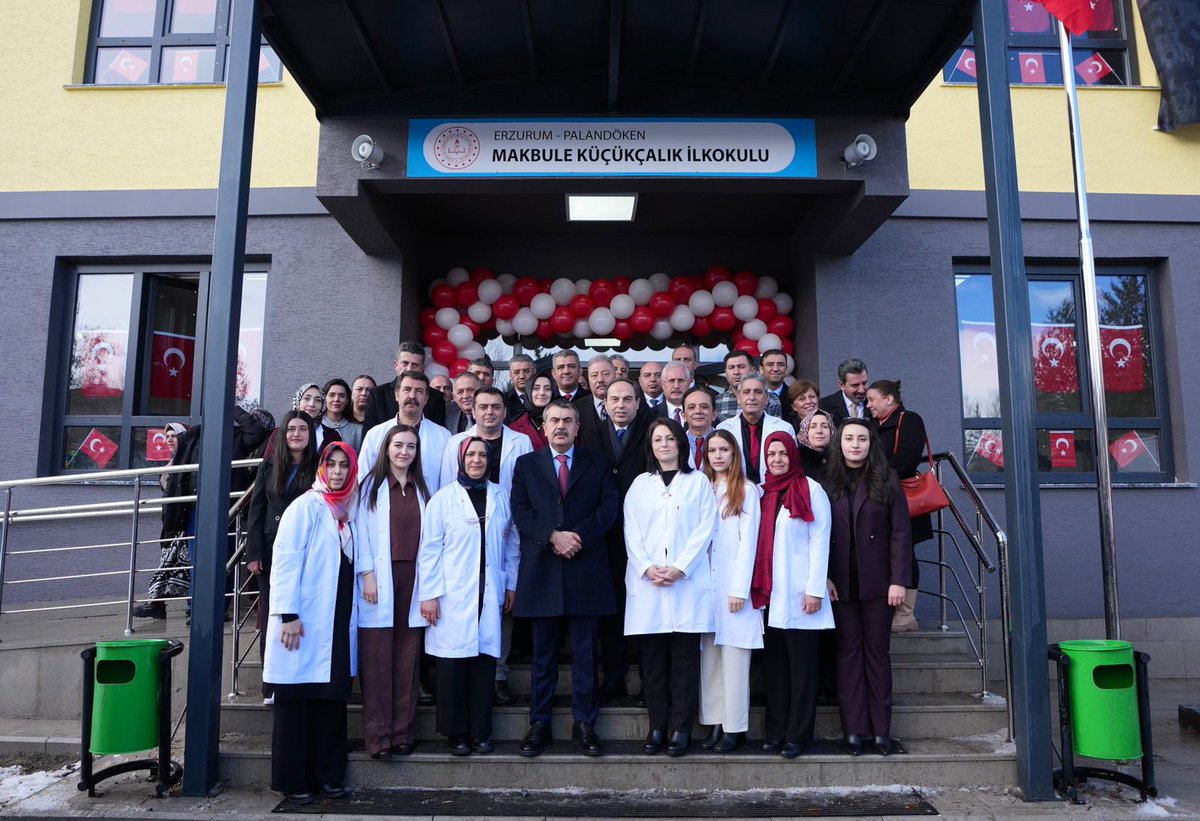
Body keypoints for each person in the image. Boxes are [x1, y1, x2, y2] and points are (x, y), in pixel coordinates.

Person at [510, 399, 619, 757]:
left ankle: (584, 724)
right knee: (543, 658)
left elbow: (608, 509)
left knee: (586, 657)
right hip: (543, 573)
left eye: (567, 420)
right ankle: (539, 723)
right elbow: (521, 511)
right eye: (554, 420)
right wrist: (552, 536)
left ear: (577, 427)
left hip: (586, 572)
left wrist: (578, 537)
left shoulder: (598, 464)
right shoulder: (525, 465)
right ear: (543, 426)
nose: (560, 425)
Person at [263, 441, 360, 806]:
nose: (337, 472)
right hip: (302, 623)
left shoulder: (347, 510)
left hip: (335, 623)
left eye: (343, 466)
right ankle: (292, 780)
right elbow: (286, 561)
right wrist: (288, 614)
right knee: (296, 703)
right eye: (331, 465)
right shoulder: (304, 507)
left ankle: (327, 776)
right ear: (322, 468)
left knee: (330, 703)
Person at [415, 438, 520, 756]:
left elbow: (512, 543)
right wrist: (429, 594)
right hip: (452, 594)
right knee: (452, 668)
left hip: (489, 591)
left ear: (490, 461)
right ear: (461, 460)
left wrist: (511, 584)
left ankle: (480, 731)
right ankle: (455, 733)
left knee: (483, 666)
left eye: (482, 455)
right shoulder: (443, 500)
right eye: (470, 455)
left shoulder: (501, 495)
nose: (477, 460)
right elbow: (429, 549)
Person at [622, 417, 717, 757]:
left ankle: (680, 729)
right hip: (648, 586)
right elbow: (631, 532)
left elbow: (705, 528)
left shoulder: (699, 483)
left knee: (685, 662)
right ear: (650, 446)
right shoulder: (639, 485)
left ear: (681, 443)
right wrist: (648, 567)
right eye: (657, 439)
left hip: (685, 585)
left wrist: (679, 568)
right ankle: (657, 726)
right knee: (653, 664)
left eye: (669, 439)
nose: (663, 444)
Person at [438, 386, 534, 705]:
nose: (490, 412)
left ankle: (499, 675)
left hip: (506, 526)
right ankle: (469, 675)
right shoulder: (455, 444)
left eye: (496, 406)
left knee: (502, 604)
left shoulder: (520, 442)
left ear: (504, 411)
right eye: (483, 407)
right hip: (463, 535)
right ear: (473, 411)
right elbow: (445, 488)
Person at [823, 418, 912, 756]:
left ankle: (881, 732)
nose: (855, 444)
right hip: (840, 583)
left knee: (877, 656)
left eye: (861, 438)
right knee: (847, 656)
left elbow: (901, 532)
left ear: (870, 443)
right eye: (849, 438)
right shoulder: (827, 480)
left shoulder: (886, 479)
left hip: (879, 584)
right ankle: (853, 731)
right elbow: (817, 535)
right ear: (840, 443)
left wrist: (898, 580)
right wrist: (824, 577)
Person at [752, 432, 833, 758]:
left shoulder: (811, 490)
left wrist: (815, 589)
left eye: (783, 453)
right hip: (769, 595)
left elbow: (820, 540)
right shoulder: (761, 493)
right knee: (774, 670)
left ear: (793, 455)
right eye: (771, 454)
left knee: (801, 671)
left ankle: (798, 735)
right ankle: (775, 731)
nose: (776, 459)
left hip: (801, 595)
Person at [355, 425, 430, 759]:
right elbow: (360, 533)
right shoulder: (370, 486)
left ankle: (402, 733)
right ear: (386, 449)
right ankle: (379, 738)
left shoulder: (423, 489)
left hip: (414, 580)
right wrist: (367, 574)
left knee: (407, 660)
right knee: (378, 660)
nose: (404, 452)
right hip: (380, 582)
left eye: (411, 446)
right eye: (398, 445)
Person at [579, 377, 653, 702]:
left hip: (644, 537)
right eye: (615, 400)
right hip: (603, 537)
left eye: (627, 399)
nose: (621, 405)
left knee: (644, 606)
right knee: (610, 609)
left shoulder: (651, 434)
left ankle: (648, 679)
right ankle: (614, 675)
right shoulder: (590, 435)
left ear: (638, 403)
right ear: (604, 404)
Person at [245, 411, 319, 702]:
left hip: (307, 550)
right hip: (271, 549)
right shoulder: (269, 466)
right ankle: (271, 684)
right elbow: (256, 509)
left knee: (303, 614)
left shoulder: (318, 467)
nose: (296, 434)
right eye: (291, 429)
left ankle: (299, 676)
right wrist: (253, 552)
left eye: (303, 429)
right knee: (273, 616)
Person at [698, 429, 762, 753]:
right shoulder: (702, 488)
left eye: (724, 449)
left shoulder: (747, 491)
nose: (718, 456)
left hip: (734, 591)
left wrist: (740, 589)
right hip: (705, 589)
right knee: (710, 663)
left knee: (735, 663)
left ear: (734, 454)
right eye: (712, 450)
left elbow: (749, 544)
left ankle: (734, 728)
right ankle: (714, 723)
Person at [866, 379, 931, 633]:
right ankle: (886, 611)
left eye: (872, 399)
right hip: (875, 498)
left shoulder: (910, 420)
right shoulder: (872, 424)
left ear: (889, 399)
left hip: (901, 497)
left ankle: (905, 616)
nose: (868, 404)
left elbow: (908, 457)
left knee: (905, 554)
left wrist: (875, 478)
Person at [132, 422, 193, 619]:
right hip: (170, 522)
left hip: (182, 522)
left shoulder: (187, 461)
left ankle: (158, 603)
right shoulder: (172, 462)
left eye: (174, 436)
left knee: (174, 566)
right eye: (167, 437)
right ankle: (158, 605)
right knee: (173, 566)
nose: (169, 440)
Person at [359, 371, 451, 495]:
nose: (412, 396)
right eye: (407, 389)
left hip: (428, 510)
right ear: (397, 395)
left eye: (419, 391)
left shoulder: (443, 437)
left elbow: (447, 484)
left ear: (426, 399)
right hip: (384, 510)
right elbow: (364, 480)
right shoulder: (375, 435)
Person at [716, 373, 795, 484]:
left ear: (766, 398)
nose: (752, 397)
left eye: (758, 392)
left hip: (775, 493)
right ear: (738, 398)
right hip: (735, 494)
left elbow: (792, 467)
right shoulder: (723, 430)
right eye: (746, 392)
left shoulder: (784, 429)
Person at [363, 342, 448, 429]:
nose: (409, 369)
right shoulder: (377, 395)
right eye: (405, 363)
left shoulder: (436, 398)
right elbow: (369, 435)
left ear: (423, 369)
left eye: (415, 365)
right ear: (396, 364)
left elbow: (437, 434)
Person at [715, 350, 776, 423]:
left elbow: (777, 430)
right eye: (731, 367)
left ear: (752, 370)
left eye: (741, 367)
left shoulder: (771, 399)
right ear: (726, 372)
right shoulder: (717, 401)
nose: (736, 372)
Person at [508, 371, 556, 450]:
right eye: (536, 388)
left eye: (547, 389)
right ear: (528, 391)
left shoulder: (562, 422)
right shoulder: (515, 426)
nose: (542, 393)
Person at [574, 355, 615, 444]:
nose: (600, 379)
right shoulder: (576, 408)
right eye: (594, 375)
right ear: (588, 379)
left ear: (614, 376)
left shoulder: (627, 404)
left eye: (605, 374)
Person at [819, 358, 871, 424]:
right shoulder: (824, 406)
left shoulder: (875, 404)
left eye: (864, 383)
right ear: (842, 385)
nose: (862, 390)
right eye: (855, 385)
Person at [321, 378, 363, 452]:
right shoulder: (316, 426)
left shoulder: (358, 430)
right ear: (324, 398)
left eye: (342, 396)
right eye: (332, 395)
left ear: (347, 401)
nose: (336, 399)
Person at [796, 408, 836, 484]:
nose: (819, 431)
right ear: (805, 431)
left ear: (831, 431)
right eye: (813, 427)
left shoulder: (839, 458)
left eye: (824, 426)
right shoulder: (797, 460)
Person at [682, 386, 716, 470]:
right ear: (684, 416)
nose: (697, 411)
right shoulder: (676, 444)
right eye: (691, 407)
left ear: (714, 414)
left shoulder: (727, 443)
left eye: (704, 407)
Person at [654, 361, 690, 426]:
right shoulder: (650, 415)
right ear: (663, 384)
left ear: (689, 383)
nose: (676, 386)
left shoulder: (698, 412)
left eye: (681, 380)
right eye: (672, 381)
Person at [504, 353, 535, 421]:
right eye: (516, 372)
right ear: (510, 375)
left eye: (526, 371)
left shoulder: (544, 398)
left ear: (534, 372)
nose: (522, 376)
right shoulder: (503, 400)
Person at [759, 349, 790, 416]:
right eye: (770, 364)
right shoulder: (752, 396)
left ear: (786, 370)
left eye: (780, 365)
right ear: (761, 369)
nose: (775, 369)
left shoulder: (794, 396)